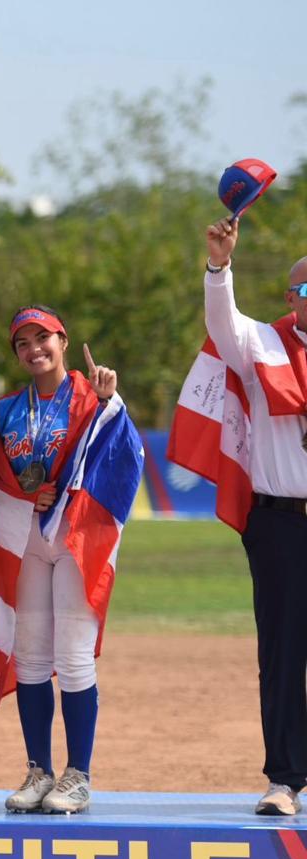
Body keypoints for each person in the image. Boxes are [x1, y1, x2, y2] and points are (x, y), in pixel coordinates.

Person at [0, 306, 141, 815]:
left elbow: (124, 456)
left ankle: (78, 775)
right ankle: (38, 770)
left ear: (63, 340)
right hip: (26, 537)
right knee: (29, 656)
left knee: (72, 657)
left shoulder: (93, 398)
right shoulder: (5, 411)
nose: (34, 350)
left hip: (76, 537)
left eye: (42, 338)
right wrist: (26, 496)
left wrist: (111, 402)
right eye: (22, 343)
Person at [201, 218, 307, 815]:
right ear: (291, 298)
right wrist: (220, 267)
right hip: (280, 521)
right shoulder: (263, 345)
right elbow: (222, 324)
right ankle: (286, 779)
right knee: (283, 653)